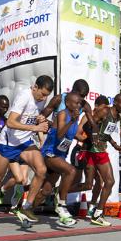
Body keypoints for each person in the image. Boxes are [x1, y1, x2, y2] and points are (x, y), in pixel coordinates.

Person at [0, 76, 53, 228]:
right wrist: (35, 128)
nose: (44, 98)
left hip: (25, 143)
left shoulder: (42, 99)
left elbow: (29, 118)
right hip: (8, 143)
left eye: (47, 95)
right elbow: (11, 122)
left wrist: (39, 120)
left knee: (41, 170)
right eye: (42, 94)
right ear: (35, 87)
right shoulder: (24, 96)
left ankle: (27, 207)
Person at [78, 93, 121, 226]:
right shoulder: (105, 111)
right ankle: (97, 213)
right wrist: (94, 137)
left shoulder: (117, 117)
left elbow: (106, 133)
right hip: (96, 149)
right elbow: (87, 125)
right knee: (109, 181)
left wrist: (115, 144)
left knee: (91, 184)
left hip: (99, 149)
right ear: (115, 102)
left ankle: (61, 192)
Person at [35, 91, 83, 227]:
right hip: (49, 153)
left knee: (46, 191)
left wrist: (88, 139)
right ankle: (61, 205)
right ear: (67, 103)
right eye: (76, 103)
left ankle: (26, 210)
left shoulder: (75, 117)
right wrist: (72, 121)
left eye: (80, 103)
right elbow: (61, 134)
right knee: (70, 171)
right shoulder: (63, 114)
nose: (79, 105)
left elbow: (74, 135)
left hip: (60, 155)